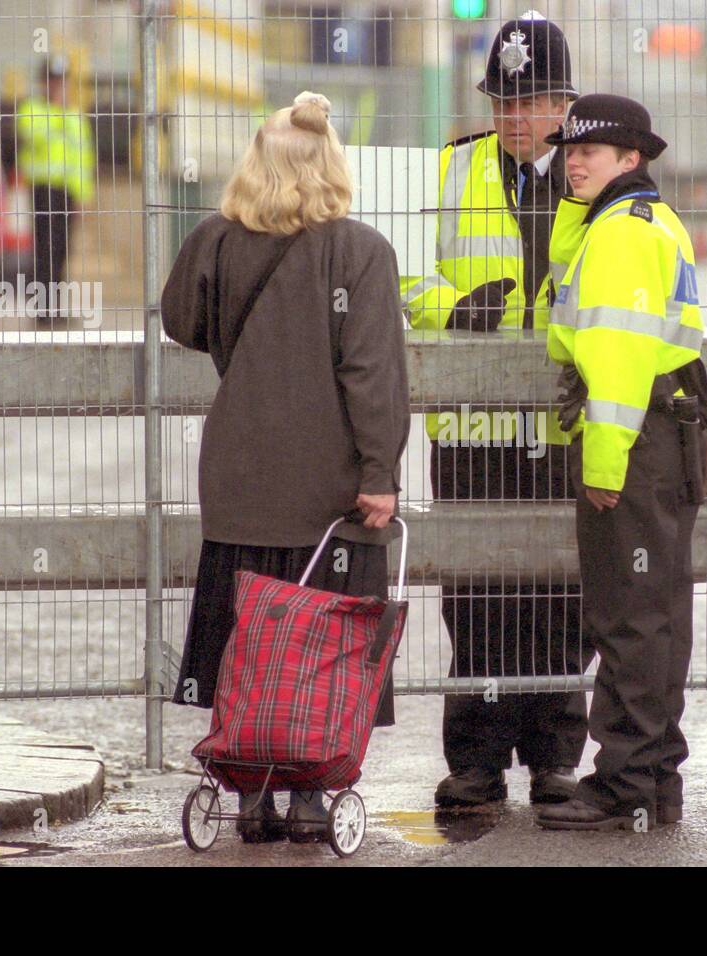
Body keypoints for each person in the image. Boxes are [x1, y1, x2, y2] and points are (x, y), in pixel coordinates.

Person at [162, 91, 410, 843]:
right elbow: (371, 373)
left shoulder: (215, 239)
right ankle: (311, 798)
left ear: (255, 166)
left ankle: (248, 797)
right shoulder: (362, 253)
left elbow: (181, 322)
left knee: (246, 645)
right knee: (320, 651)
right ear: (330, 165)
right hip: (328, 490)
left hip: (239, 481)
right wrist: (379, 472)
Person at [400, 13, 591, 810]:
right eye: (503, 102)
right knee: (475, 593)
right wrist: (451, 310)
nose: (515, 118)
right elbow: (404, 271)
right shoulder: (447, 170)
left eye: (532, 102)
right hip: (475, 424)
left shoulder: (594, 182)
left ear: (563, 104)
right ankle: (476, 760)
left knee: (560, 592)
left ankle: (553, 756)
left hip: (557, 424)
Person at [535, 94, 707, 831]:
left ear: (631, 159)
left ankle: (624, 782)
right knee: (657, 611)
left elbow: (614, 362)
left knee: (630, 615)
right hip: (664, 436)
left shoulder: (617, 234)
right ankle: (653, 775)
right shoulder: (643, 222)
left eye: (593, 151)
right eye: (570, 150)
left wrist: (603, 465)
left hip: (633, 442)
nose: (574, 161)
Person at [14, 54, 95, 321]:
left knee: (62, 250)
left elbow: (83, 157)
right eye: (51, 80)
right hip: (42, 190)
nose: (57, 86)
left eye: (61, 80)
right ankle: (42, 310)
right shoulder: (31, 109)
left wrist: (84, 195)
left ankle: (56, 308)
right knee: (44, 250)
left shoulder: (76, 116)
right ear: (42, 82)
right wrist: (57, 113)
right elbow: (32, 136)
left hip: (67, 193)